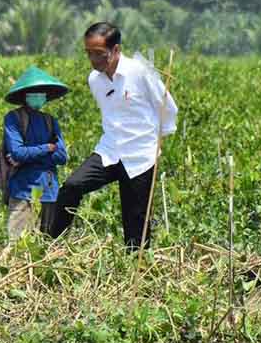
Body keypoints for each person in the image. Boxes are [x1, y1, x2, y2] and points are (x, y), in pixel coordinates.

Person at [49, 22, 177, 249]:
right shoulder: (94, 80)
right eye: (88, 53)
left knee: (135, 221)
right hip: (109, 150)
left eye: (99, 54)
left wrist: (157, 144)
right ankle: (50, 245)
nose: (93, 60)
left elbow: (167, 107)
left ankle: (137, 267)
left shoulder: (139, 72)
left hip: (140, 155)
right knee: (71, 187)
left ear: (116, 50)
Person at [2, 66, 69, 239]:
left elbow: (62, 157)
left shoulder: (50, 121)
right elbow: (17, 153)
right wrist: (46, 148)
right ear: (25, 96)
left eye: (42, 93)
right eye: (35, 93)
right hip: (24, 190)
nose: (39, 96)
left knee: (45, 245)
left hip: (49, 192)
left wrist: (30, 153)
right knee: (18, 246)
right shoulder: (14, 119)